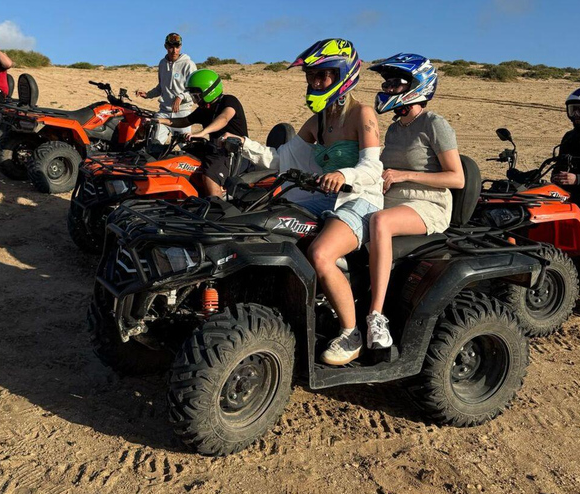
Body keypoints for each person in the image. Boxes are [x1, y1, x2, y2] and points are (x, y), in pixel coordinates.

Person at [219, 38, 384, 366]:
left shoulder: (361, 114)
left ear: (342, 75)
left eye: (323, 76)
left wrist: (343, 175)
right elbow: (280, 159)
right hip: (321, 198)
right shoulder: (319, 120)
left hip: (360, 200)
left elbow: (372, 167)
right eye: (311, 76)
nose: (315, 83)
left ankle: (351, 333)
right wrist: (242, 144)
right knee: (267, 222)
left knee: (321, 254)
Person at [365, 54, 464, 348]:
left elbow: (457, 178)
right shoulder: (396, 127)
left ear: (417, 85)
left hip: (429, 202)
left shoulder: (434, 123)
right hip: (394, 199)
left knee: (380, 222)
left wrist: (403, 175)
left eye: (395, 82)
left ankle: (376, 316)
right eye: (387, 82)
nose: (388, 88)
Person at [155, 68, 249, 197]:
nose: (194, 99)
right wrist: (159, 121)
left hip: (234, 152)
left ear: (208, 91)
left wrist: (203, 132)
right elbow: (185, 121)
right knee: (181, 158)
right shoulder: (204, 109)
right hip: (215, 149)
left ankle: (217, 207)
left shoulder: (229, 101)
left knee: (210, 175)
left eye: (196, 95)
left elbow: (224, 118)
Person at [135, 33, 197, 145]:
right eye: (171, 47)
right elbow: (161, 87)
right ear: (165, 47)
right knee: (154, 145)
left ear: (181, 47)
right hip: (164, 112)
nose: (174, 50)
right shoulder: (162, 64)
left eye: (177, 47)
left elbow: (194, 90)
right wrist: (148, 94)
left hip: (182, 114)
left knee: (185, 146)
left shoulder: (189, 64)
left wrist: (180, 97)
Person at [552, 87, 580, 211]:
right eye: (573, 110)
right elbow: (560, 163)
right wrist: (557, 177)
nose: (576, 115)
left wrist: (578, 178)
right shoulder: (569, 136)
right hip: (572, 189)